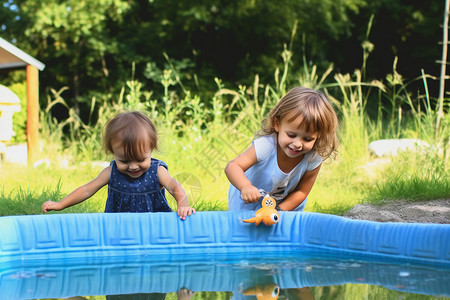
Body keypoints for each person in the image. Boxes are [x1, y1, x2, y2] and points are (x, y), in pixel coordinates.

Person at [42, 111, 195, 220]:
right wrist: (61, 204)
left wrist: (183, 204)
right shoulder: (111, 172)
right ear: (112, 152)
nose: (133, 166)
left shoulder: (157, 171)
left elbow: (175, 187)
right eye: (124, 161)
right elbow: (87, 189)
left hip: (156, 229)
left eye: (140, 159)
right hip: (118, 229)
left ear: (151, 149)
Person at [225, 86, 338, 212]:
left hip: (284, 208)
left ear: (318, 136)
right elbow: (233, 166)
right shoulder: (266, 146)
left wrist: (278, 211)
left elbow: (301, 191)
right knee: (247, 229)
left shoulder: (313, 158)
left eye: (307, 139)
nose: (297, 144)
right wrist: (245, 187)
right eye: (291, 135)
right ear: (277, 124)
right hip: (248, 203)